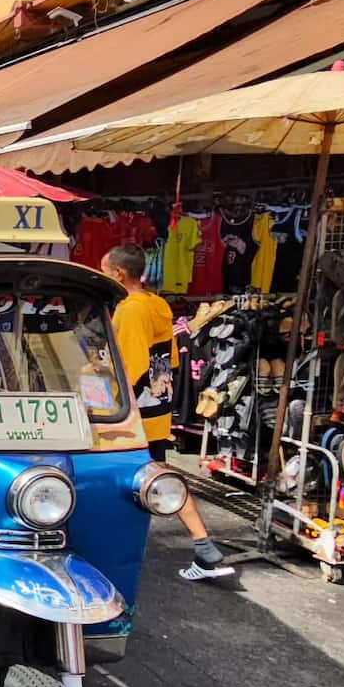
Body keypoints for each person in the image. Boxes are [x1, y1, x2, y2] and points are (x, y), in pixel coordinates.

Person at [101, 244, 234, 581]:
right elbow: (171, 360)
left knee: (118, 478)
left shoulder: (130, 310)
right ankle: (204, 548)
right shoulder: (157, 304)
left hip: (132, 413)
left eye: (104, 270)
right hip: (157, 407)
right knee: (159, 474)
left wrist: (103, 403)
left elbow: (130, 366)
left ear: (118, 273)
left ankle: (117, 552)